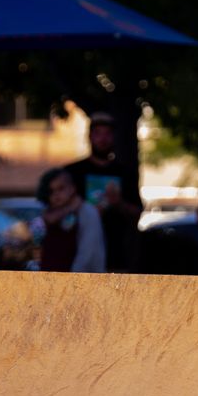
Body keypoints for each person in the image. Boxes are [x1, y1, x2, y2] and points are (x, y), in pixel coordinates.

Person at [64, 111, 143, 271]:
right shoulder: (72, 172)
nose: (103, 139)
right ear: (90, 136)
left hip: (116, 255)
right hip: (77, 254)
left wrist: (118, 203)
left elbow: (137, 212)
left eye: (108, 134)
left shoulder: (125, 173)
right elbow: (60, 213)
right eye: (98, 134)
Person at [37, 167, 105, 274]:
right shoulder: (51, 212)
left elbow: (88, 251)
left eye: (61, 188)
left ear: (72, 188)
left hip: (74, 279)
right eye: (51, 191)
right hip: (49, 277)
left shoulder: (86, 211)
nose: (56, 195)